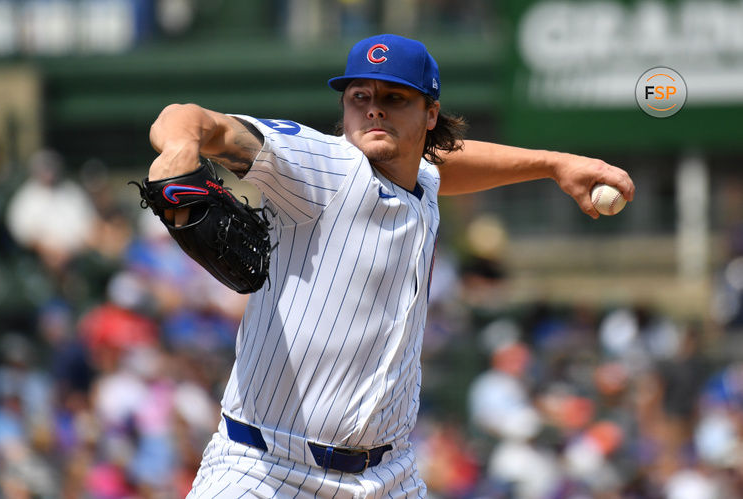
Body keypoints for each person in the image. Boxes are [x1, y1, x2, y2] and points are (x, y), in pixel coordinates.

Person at [147, 34, 634, 498]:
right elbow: (187, 118)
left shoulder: (420, 176)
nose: (373, 108)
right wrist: (179, 148)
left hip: (387, 476)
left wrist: (553, 164)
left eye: (395, 98)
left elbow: (443, 165)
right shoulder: (324, 166)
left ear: (430, 114)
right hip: (266, 471)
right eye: (360, 95)